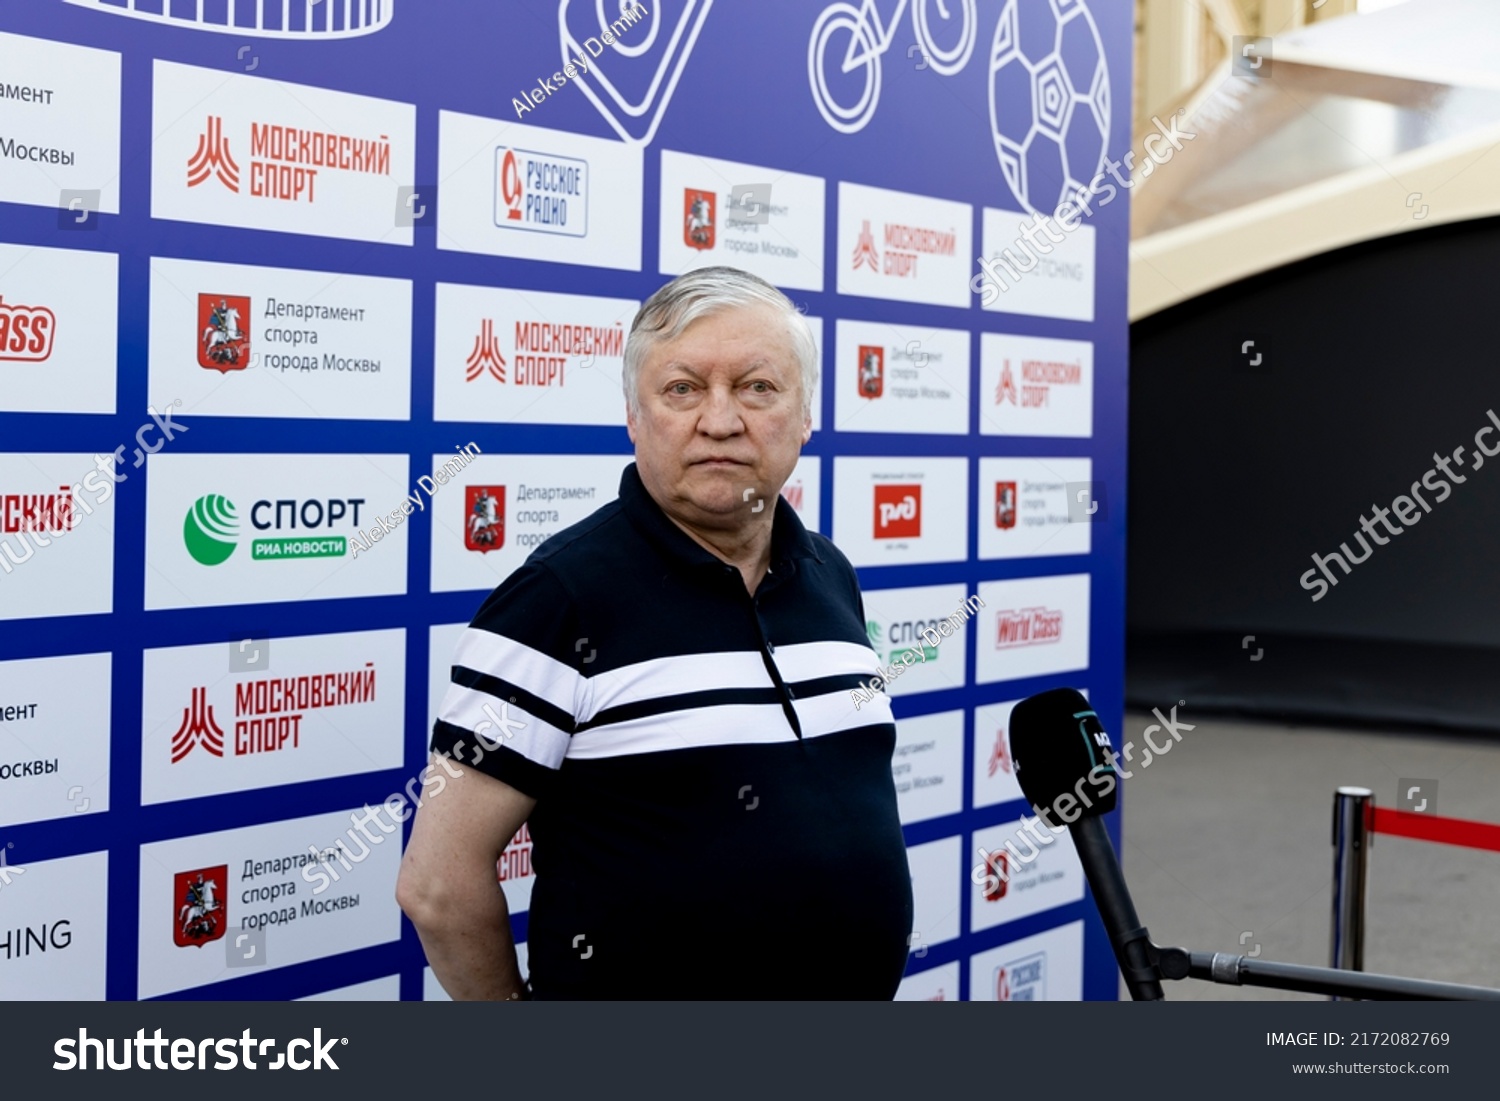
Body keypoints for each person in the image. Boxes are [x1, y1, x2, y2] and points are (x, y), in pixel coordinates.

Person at [397, 266, 913, 999]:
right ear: (635, 417)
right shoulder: (558, 599)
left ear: (805, 417)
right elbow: (438, 883)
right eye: (683, 389)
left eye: (758, 387)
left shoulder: (831, 575)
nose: (721, 419)